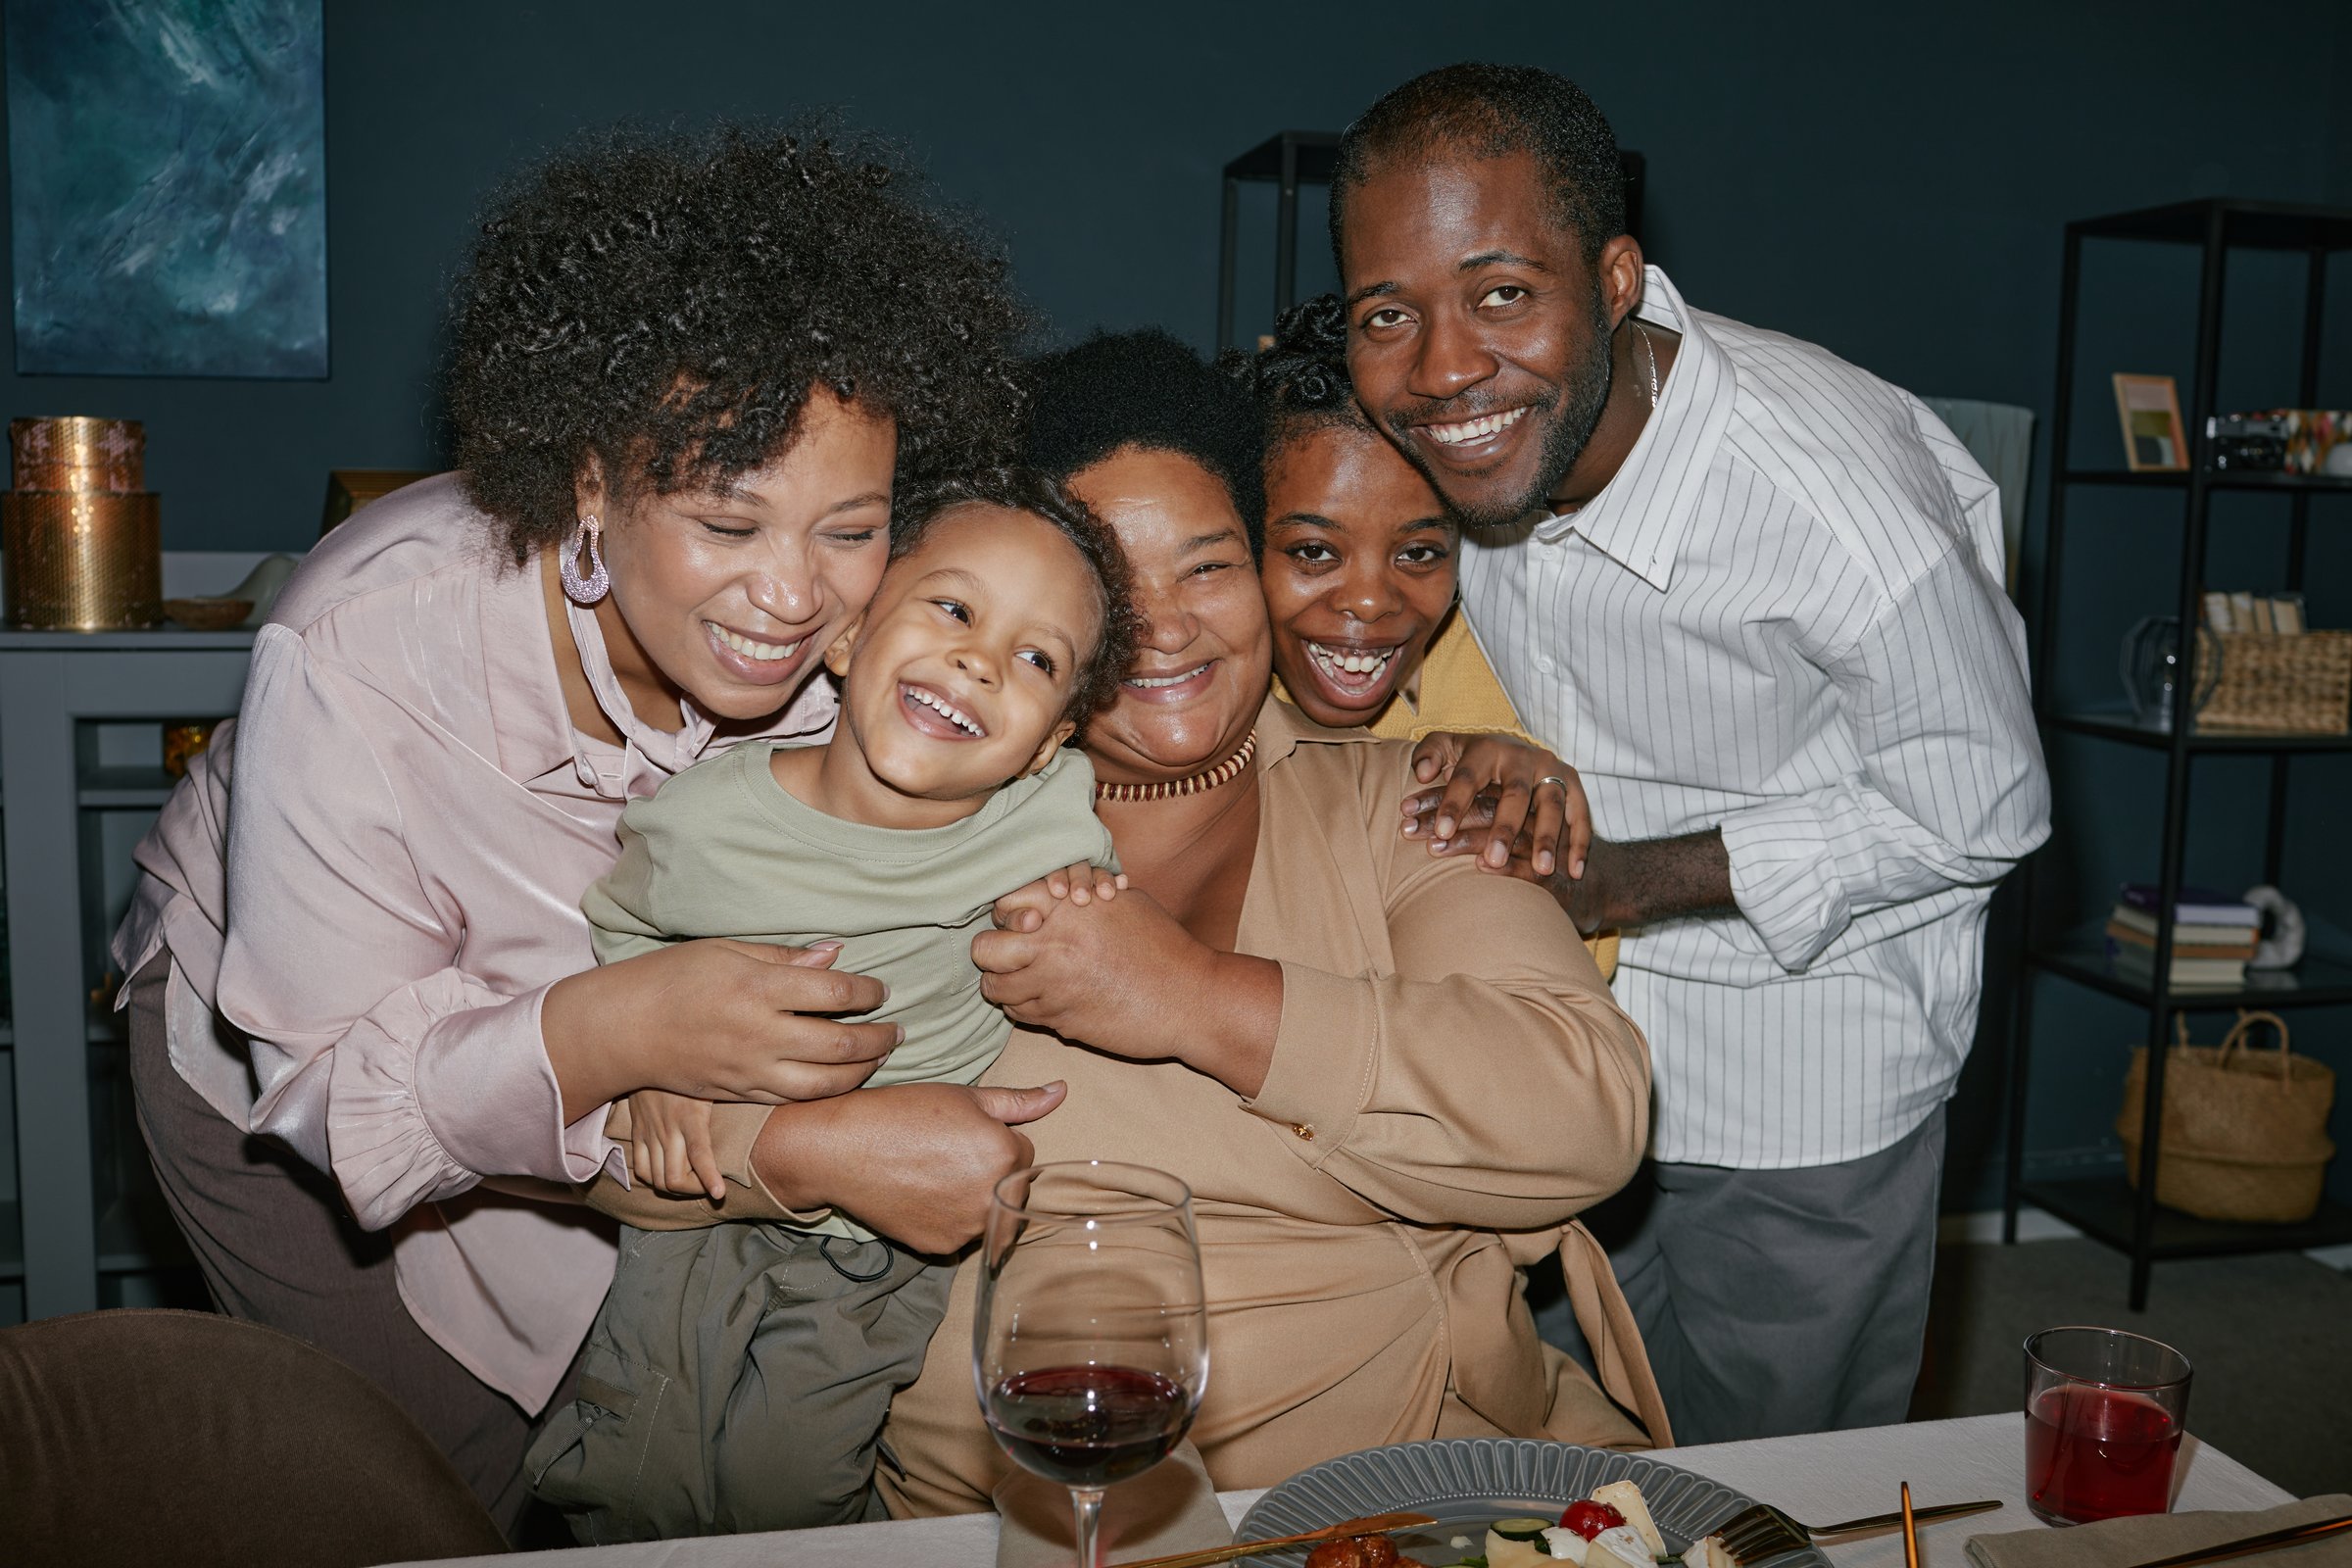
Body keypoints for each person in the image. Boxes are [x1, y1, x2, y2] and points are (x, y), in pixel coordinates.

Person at [111, 122, 1062, 1532]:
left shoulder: (870, 647)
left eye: (847, 530)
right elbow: (339, 1087)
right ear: (595, 486)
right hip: (292, 1069)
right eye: (727, 523)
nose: (792, 599)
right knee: (426, 1497)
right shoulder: (367, 643)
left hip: (624, 1100)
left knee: (618, 1465)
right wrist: (627, 1034)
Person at [592, 329, 1670, 1514]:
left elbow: (1586, 1110)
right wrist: (795, 1148)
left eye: (1208, 568)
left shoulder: (1403, 801)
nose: (1162, 626)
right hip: (984, 1520)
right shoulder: (874, 827)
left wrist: (1193, 1000)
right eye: (1110, 582)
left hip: (1394, 1492)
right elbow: (603, 1151)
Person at [1330, 64, 2052, 1443]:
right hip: (1550, 1057)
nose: (1440, 370)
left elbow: (1986, 800)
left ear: (1611, 279)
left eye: (1499, 294)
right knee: (1559, 1472)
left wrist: (1625, 882)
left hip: (1796, 1086)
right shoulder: (1448, 440)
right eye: (1388, 314)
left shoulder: (1825, 504)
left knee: (1776, 1497)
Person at [527, 471, 1136, 1540]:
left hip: (887, 1233)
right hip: (708, 1194)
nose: (980, 660)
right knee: (639, 1453)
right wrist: (649, 1062)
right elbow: (617, 938)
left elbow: (1099, 890)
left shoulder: (1046, 818)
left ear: (1051, 742)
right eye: (952, 607)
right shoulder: (707, 818)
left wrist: (1088, 890)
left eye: (1037, 659)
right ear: (849, 641)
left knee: (794, 1479)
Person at [1230, 297, 1612, 978]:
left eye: (1420, 554)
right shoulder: (1196, 698)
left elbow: (1571, 962)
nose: (1372, 600)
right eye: (1314, 552)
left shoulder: (1511, 688)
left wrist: (1537, 818)